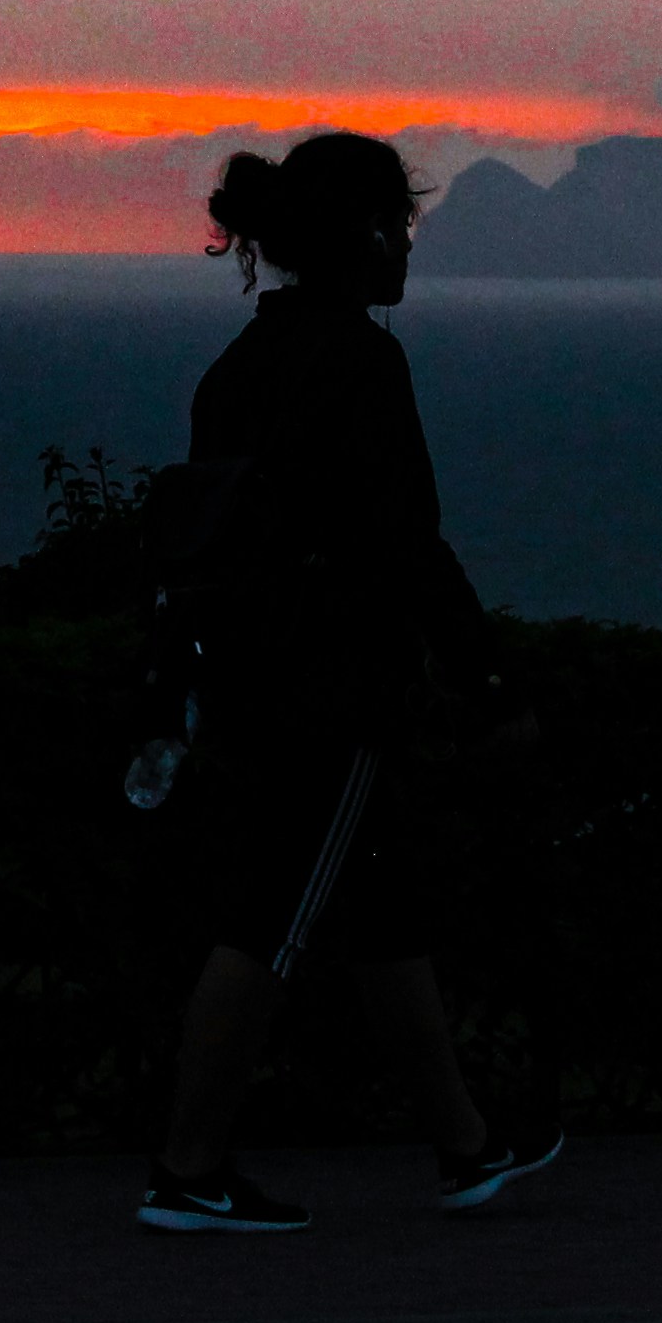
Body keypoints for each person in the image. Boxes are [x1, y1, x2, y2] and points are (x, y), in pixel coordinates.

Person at [131, 130, 563, 1233]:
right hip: (331, 697)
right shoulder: (359, 363)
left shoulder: (241, 366)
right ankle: (188, 1172)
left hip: (248, 683)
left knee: (377, 912)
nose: (411, 249)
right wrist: (490, 675)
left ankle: (467, 1148)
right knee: (272, 920)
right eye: (402, 228)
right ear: (367, 237)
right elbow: (405, 542)